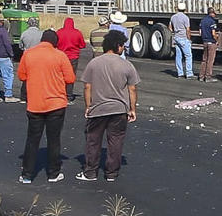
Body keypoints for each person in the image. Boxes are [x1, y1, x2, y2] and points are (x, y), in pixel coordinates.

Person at [77, 29, 139, 181]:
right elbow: (132, 89)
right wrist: (132, 109)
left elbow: (87, 86)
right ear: (117, 46)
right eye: (123, 45)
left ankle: (90, 172)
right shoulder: (126, 65)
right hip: (119, 109)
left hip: (98, 109)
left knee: (93, 140)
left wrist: (88, 106)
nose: (123, 48)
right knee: (116, 141)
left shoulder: (94, 63)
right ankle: (111, 173)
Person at [16, 29, 76, 184]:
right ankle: (53, 173)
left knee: (32, 139)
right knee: (54, 140)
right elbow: (70, 78)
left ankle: (27, 174)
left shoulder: (28, 54)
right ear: (55, 42)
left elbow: (22, 76)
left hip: (35, 104)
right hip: (56, 104)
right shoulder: (60, 55)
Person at [166, 1, 192, 78]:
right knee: (188, 56)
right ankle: (189, 73)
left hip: (176, 37)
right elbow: (188, 30)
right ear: (185, 9)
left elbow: (169, 27)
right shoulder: (185, 18)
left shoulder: (173, 17)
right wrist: (189, 39)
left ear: (177, 8)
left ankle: (180, 73)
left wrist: (174, 32)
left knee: (178, 56)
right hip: (183, 38)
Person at [197, 7, 219, 81]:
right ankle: (208, 76)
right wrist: (216, 39)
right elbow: (213, 33)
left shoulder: (202, 21)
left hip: (205, 41)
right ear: (212, 13)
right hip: (211, 42)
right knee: (210, 60)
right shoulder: (212, 22)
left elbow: (200, 32)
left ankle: (201, 76)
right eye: (214, 14)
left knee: (204, 59)